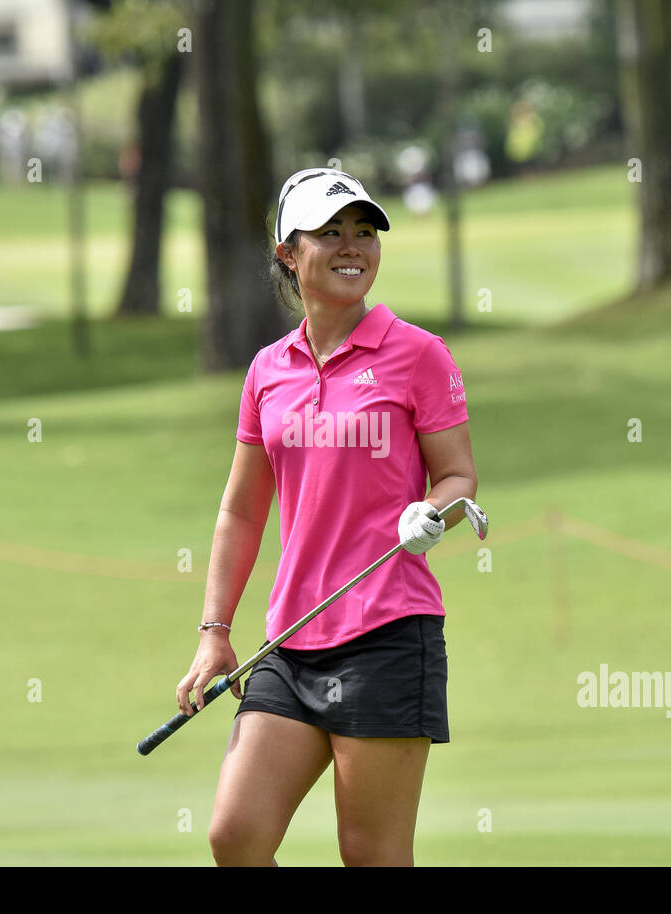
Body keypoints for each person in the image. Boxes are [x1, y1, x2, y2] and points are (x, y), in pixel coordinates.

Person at [176, 167, 479, 867]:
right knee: (236, 835)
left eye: (365, 232)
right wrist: (213, 632)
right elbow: (243, 509)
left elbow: (457, 477)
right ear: (288, 251)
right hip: (291, 641)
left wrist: (431, 514)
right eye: (331, 232)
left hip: (387, 635)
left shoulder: (417, 355)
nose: (353, 247)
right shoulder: (267, 370)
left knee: (369, 855)